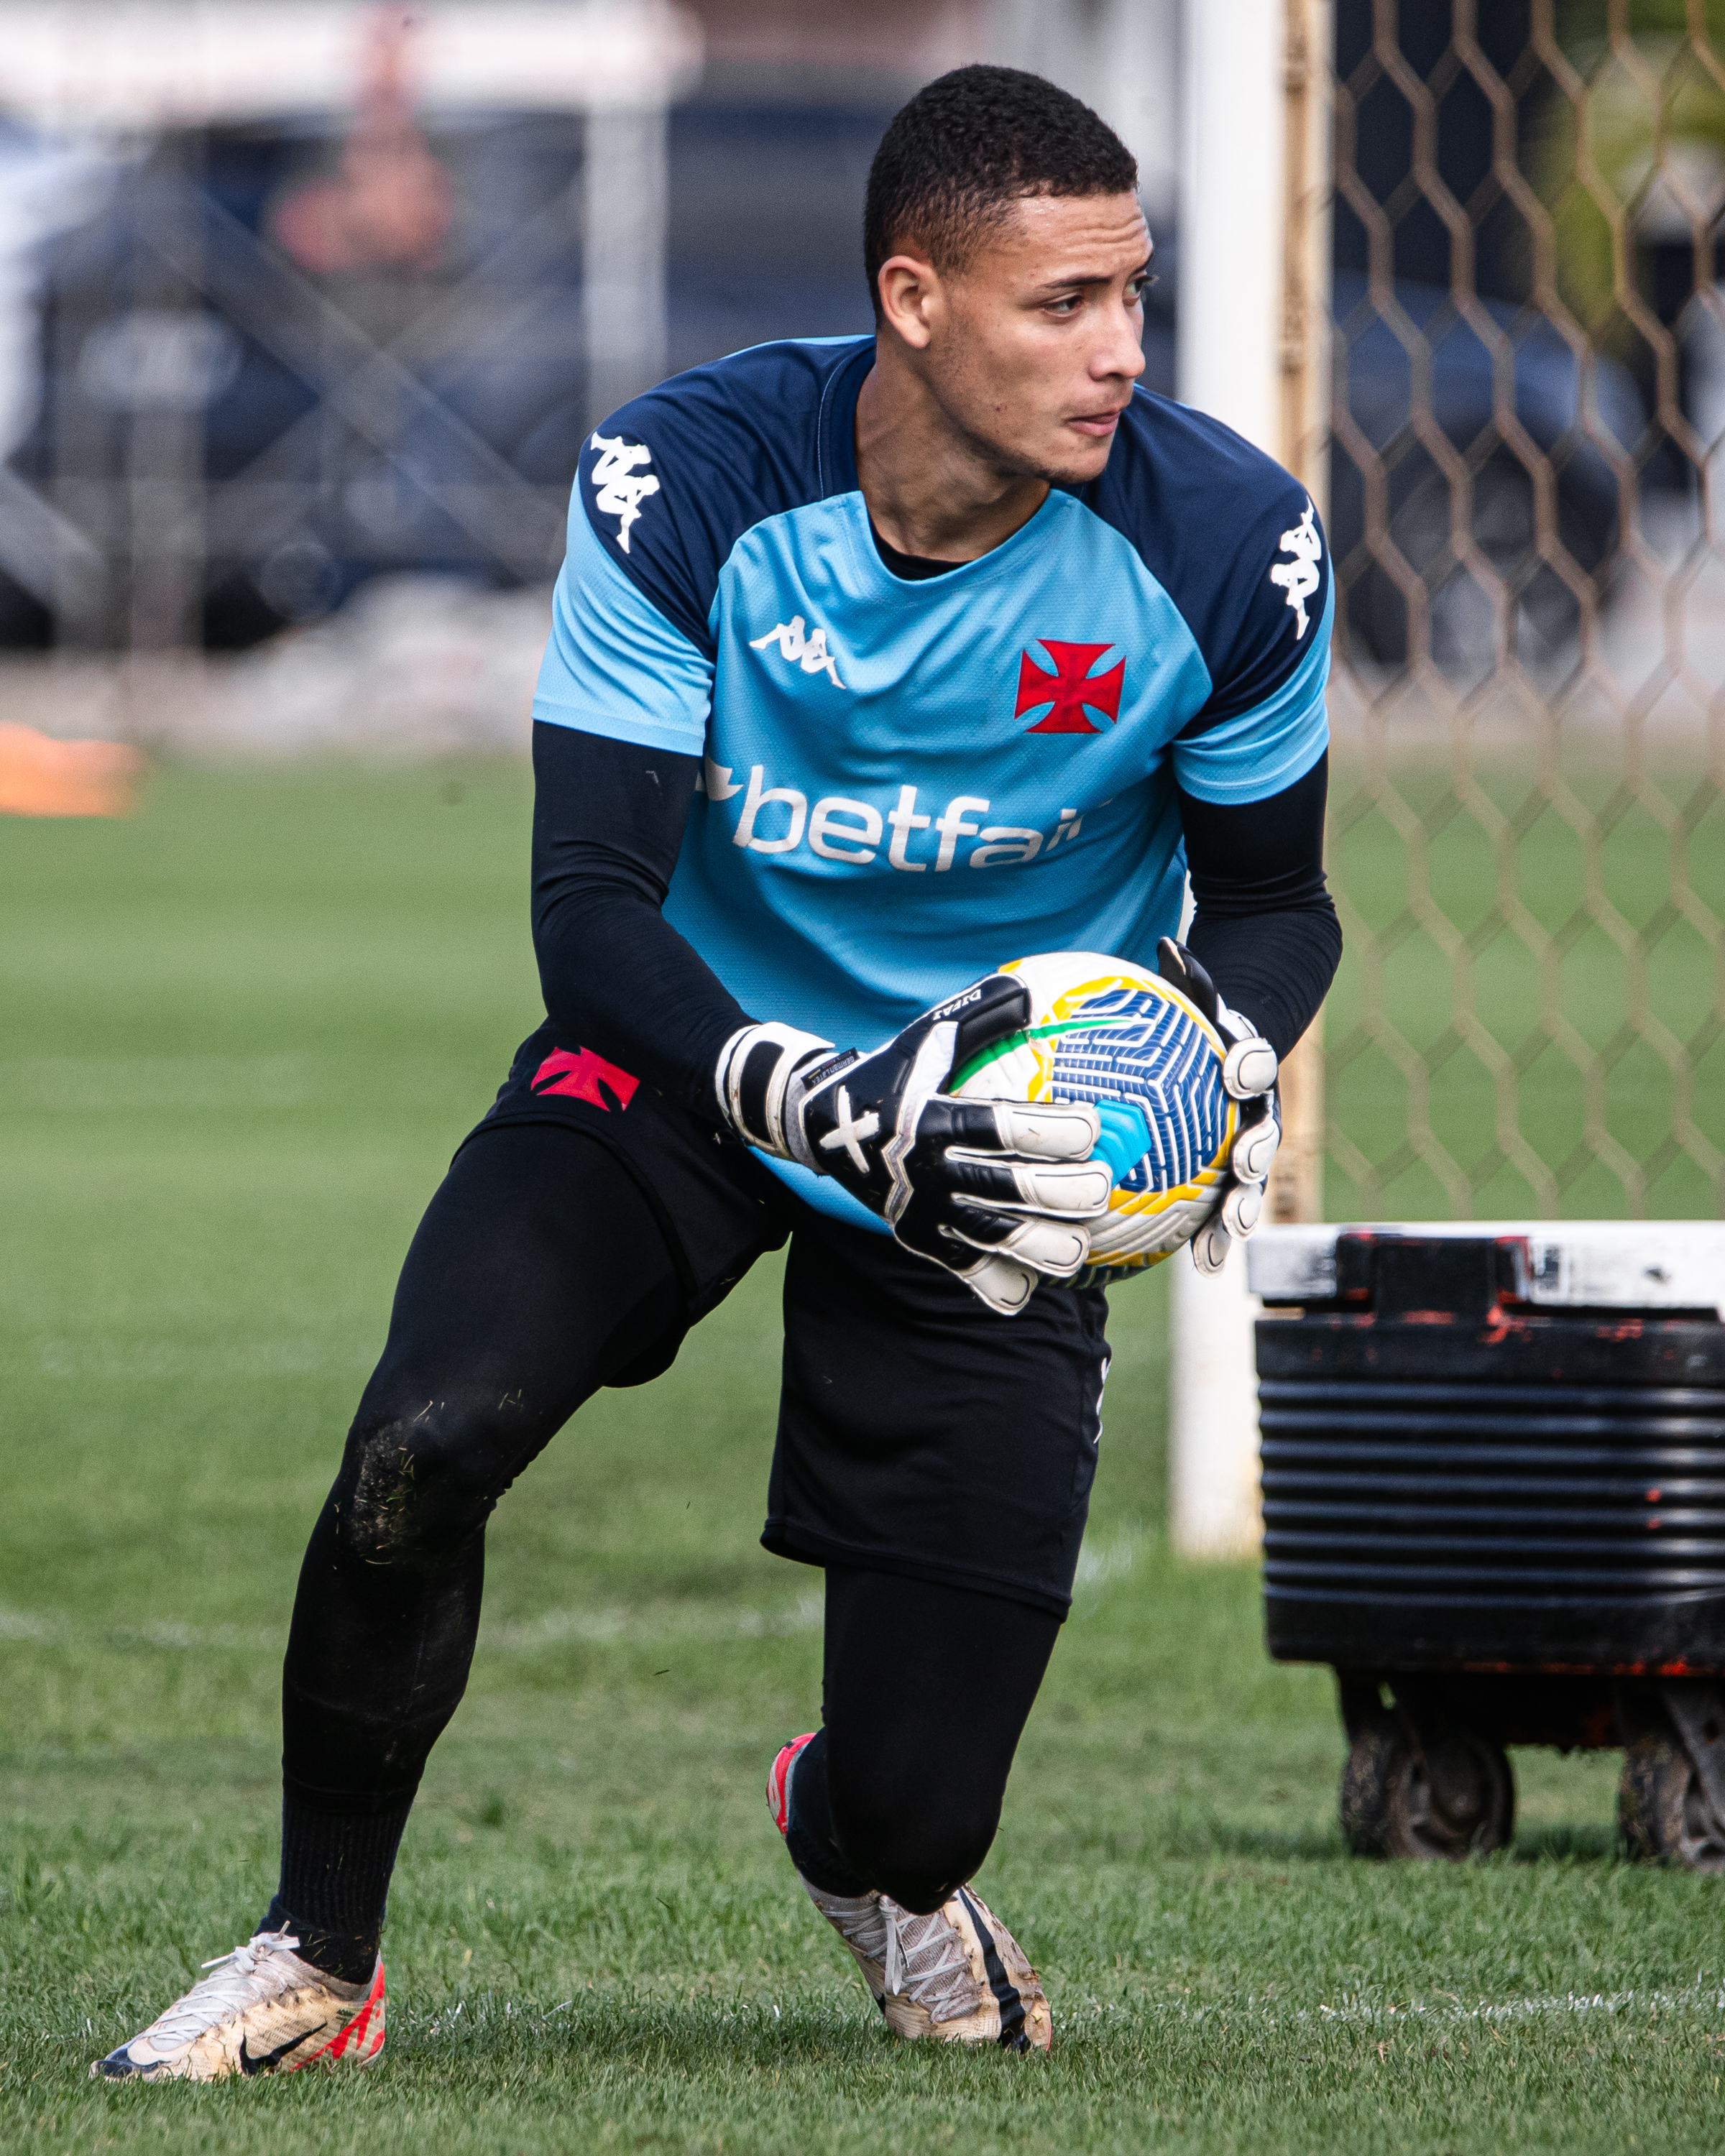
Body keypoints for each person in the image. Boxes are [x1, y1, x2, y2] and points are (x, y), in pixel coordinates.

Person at [94, 63, 1340, 2078]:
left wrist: (1224, 1047)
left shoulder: (1230, 546)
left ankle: (846, 1839)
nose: (1123, 348)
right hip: (684, 1058)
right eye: (1064, 303)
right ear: (913, 299)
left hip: (993, 1152)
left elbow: (1282, 903)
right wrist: (796, 1091)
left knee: (923, 1819)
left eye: (1133, 293)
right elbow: (589, 911)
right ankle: (317, 1954)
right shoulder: (684, 480)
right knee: (423, 1439)